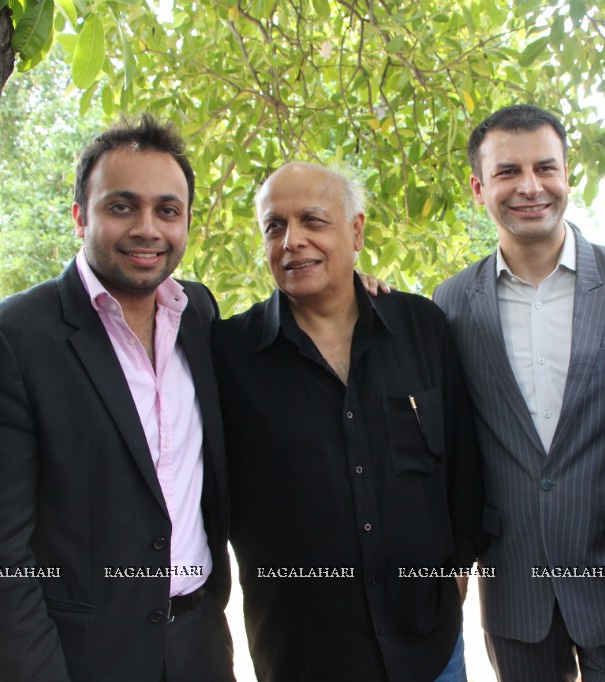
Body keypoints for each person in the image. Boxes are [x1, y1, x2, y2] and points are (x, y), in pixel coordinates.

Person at [0, 115, 234, 681]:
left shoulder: (198, 314)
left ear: (186, 223)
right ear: (81, 214)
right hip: (87, 660)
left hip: (201, 647)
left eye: (167, 210)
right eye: (122, 206)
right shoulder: (14, 339)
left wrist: (354, 288)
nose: (148, 228)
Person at [433, 104, 605, 681]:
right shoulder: (449, 304)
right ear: (480, 188)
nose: (530, 186)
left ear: (567, 176)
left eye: (545, 168)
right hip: (514, 586)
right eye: (507, 172)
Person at [212, 161, 484, 682]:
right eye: (275, 226)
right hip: (305, 656)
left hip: (429, 650)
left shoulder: (422, 328)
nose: (293, 241)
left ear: (356, 231)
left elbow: (463, 466)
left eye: (314, 221)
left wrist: (453, 579)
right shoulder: (227, 354)